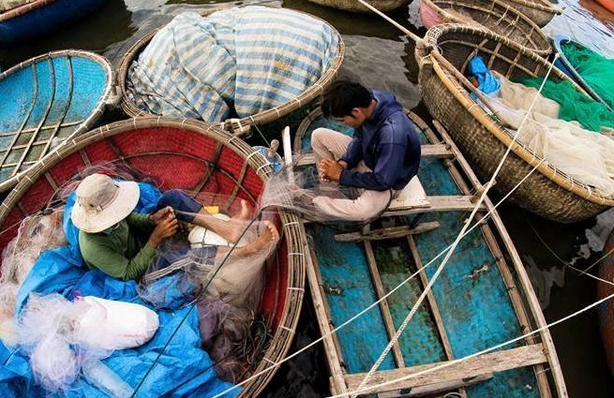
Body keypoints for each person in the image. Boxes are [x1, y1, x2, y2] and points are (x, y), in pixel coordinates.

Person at [71, 173, 277, 281]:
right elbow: (129, 272)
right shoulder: (93, 246)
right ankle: (245, 251)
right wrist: (155, 239)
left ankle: (228, 229)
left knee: (172, 198)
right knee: (182, 257)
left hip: (143, 245)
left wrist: (152, 221)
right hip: (139, 274)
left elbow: (129, 220)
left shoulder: (113, 215)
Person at [311, 80, 423, 221]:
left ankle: (316, 203)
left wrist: (342, 175)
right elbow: (360, 136)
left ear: (356, 112)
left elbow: (383, 181)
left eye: (342, 121)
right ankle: (331, 192)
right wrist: (345, 162)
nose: (343, 124)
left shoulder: (393, 134)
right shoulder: (371, 100)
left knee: (362, 211)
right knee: (318, 135)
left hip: (389, 180)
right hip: (370, 156)